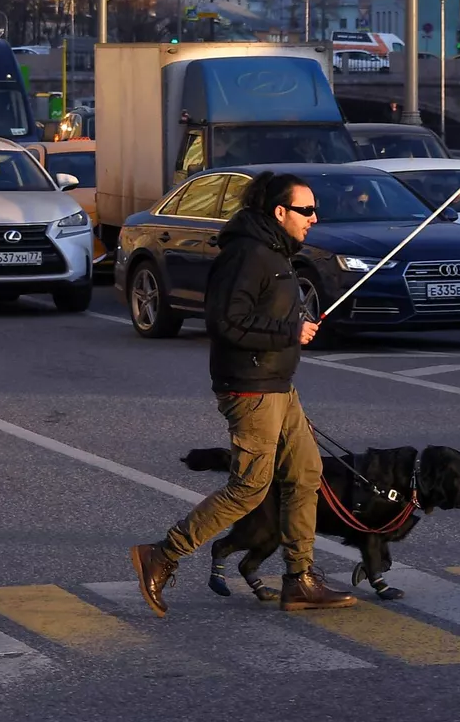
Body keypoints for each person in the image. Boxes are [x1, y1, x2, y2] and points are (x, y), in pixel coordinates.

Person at [130, 172, 356, 616]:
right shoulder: (249, 254)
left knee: (306, 474)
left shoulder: (274, 252)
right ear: (279, 212)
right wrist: (288, 330)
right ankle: (162, 555)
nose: (314, 218)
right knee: (249, 488)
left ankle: (300, 579)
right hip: (250, 388)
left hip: (276, 384)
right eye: (306, 210)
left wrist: (293, 323)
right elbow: (225, 322)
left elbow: (265, 309)